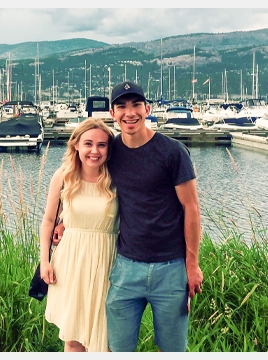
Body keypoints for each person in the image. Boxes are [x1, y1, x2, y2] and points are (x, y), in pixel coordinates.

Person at [54, 81, 203, 352]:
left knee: (173, 349)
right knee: (116, 348)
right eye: (122, 106)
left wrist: (192, 265)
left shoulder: (173, 152)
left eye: (136, 105)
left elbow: (191, 208)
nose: (129, 112)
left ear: (147, 109)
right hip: (125, 267)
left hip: (170, 268)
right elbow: (90, 184)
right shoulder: (111, 152)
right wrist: (66, 221)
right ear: (113, 113)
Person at [39, 117, 119, 352]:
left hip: (107, 263)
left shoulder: (117, 178)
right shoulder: (64, 176)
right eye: (88, 144)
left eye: (102, 145)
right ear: (76, 145)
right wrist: (45, 261)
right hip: (71, 262)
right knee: (74, 339)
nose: (94, 151)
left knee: (104, 340)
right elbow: (48, 221)